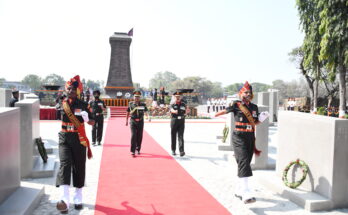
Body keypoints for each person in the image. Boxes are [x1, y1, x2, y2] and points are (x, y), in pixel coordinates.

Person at [215, 81, 269, 204]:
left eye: (249, 92)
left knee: (245, 162)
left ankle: (239, 189)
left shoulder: (254, 107)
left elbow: (255, 122)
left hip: (250, 136)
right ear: (241, 94)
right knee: (244, 161)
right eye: (245, 92)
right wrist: (215, 115)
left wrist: (262, 118)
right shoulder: (236, 104)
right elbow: (225, 111)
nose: (248, 94)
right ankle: (246, 192)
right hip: (239, 136)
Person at [55, 75, 95, 214]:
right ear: (66, 89)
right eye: (69, 88)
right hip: (64, 137)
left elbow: (92, 121)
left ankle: (78, 196)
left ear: (78, 91)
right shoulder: (61, 102)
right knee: (65, 164)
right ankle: (64, 199)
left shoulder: (84, 105)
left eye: (74, 89)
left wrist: (86, 118)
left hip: (79, 138)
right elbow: (56, 112)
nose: (71, 90)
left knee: (79, 166)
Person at [126, 90, 151, 156]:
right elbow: (128, 112)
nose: (137, 98)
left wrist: (148, 117)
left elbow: (146, 111)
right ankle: (132, 151)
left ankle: (138, 149)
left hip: (140, 121)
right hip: (133, 121)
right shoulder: (130, 104)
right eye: (135, 97)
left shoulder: (143, 104)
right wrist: (126, 120)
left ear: (140, 97)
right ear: (133, 97)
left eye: (138, 97)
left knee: (139, 136)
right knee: (133, 135)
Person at [170, 91, 188, 156]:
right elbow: (171, 110)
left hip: (181, 121)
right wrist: (174, 111)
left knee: (181, 136)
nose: (178, 98)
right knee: (173, 136)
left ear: (180, 97)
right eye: (176, 97)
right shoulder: (172, 104)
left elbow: (186, 111)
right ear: (174, 97)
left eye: (179, 97)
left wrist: (186, 112)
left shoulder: (183, 104)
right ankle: (173, 150)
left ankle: (181, 151)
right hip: (174, 121)